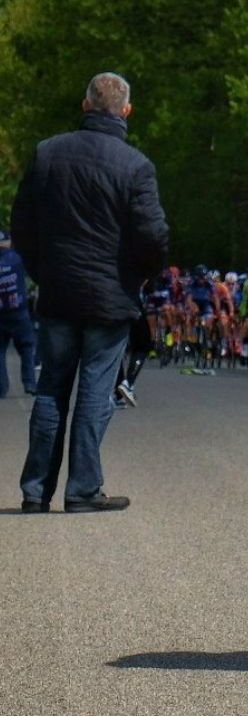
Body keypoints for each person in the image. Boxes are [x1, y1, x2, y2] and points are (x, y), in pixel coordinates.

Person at [12, 72, 168, 513]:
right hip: (109, 297)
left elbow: (22, 223)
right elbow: (153, 236)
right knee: (96, 392)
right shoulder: (136, 166)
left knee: (51, 388)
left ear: (85, 106)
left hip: (58, 292)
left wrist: (43, 271)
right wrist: (142, 277)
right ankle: (82, 490)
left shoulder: (48, 153)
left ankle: (35, 491)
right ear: (127, 111)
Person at [0, 229, 38, 398]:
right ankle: (29, 383)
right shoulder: (16, 258)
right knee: (26, 348)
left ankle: (2, 388)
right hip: (19, 312)